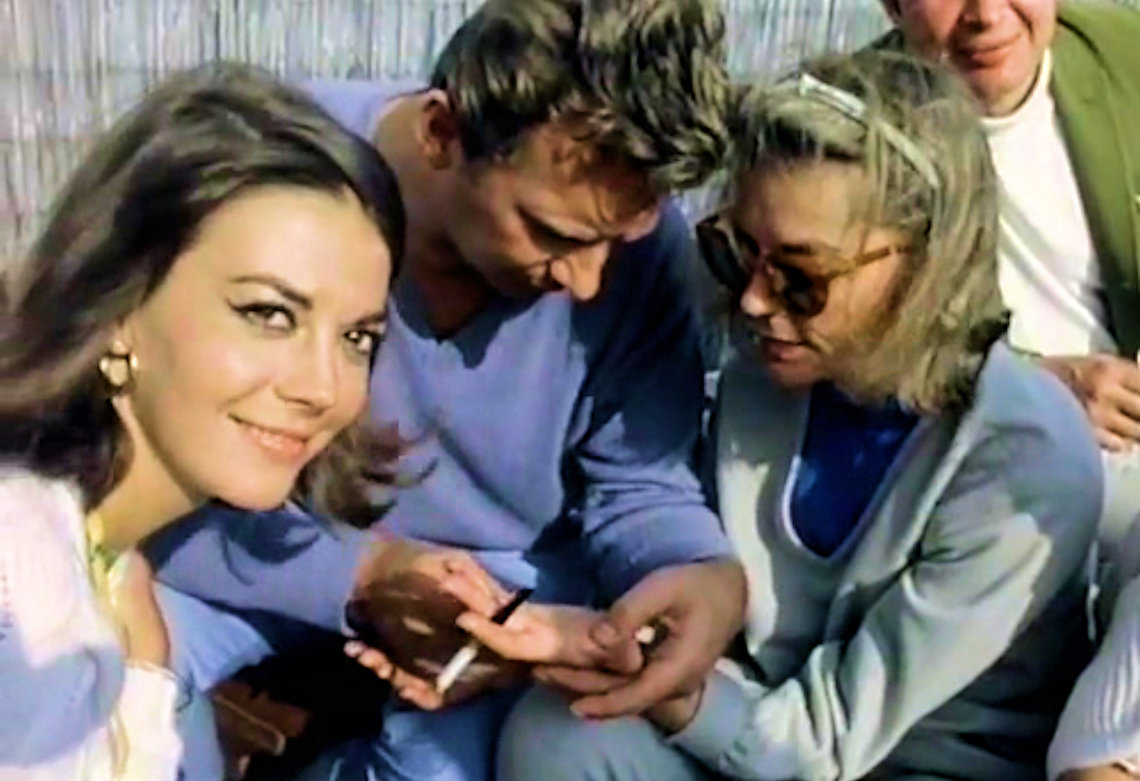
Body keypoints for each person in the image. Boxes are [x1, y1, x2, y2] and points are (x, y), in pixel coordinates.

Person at [457, 49, 1103, 781]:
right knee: (557, 733)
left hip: (918, 765)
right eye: (736, 253)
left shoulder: (1022, 464)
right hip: (755, 720)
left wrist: (661, 685)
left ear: (927, 264)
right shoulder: (774, 367)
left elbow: (827, 740)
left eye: (802, 276)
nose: (755, 302)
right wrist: (591, 639)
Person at [142, 1, 747, 779]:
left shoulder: (645, 257)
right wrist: (358, 575)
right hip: (249, 547)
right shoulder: (271, 173)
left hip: (501, 608)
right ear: (441, 132)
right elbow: (146, 470)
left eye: (615, 242)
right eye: (552, 233)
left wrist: (697, 570)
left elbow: (640, 484)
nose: (587, 282)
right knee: (87, 670)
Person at [0, 62, 412, 780]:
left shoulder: (97, 562)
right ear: (120, 304)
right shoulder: (22, 580)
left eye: (357, 337)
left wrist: (146, 676)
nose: (324, 387)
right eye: (269, 314)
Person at [877, 0, 1140, 593]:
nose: (988, 14)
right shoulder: (850, 130)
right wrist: (1036, 386)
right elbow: (840, 351)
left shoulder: (1124, 55)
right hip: (982, 459)